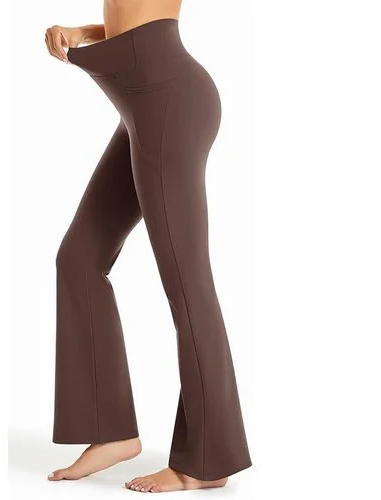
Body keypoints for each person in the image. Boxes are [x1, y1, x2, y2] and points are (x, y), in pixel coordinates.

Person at [44, 0, 251, 493]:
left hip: (165, 98)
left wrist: (87, 47)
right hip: (146, 103)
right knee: (79, 258)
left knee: (186, 281)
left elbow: (151, 24)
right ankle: (110, 431)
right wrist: (86, 32)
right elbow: (135, 13)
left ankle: (207, 462)